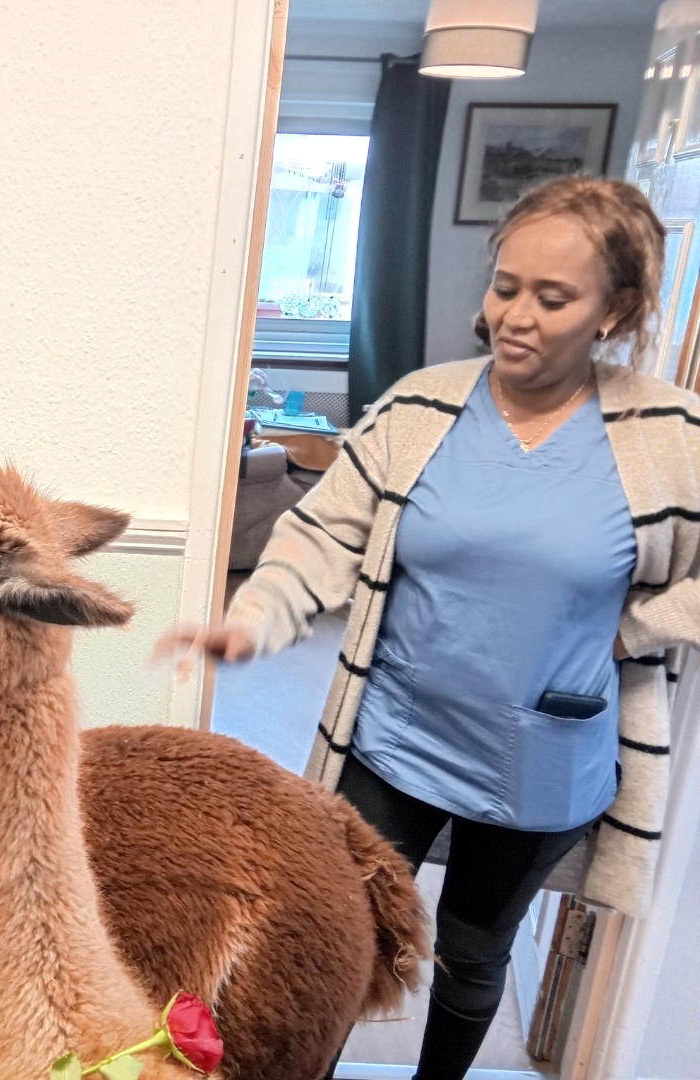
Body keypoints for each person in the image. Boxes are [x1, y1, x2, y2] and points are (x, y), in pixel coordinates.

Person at [156, 176, 700, 1080]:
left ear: (618, 310)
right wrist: (254, 617)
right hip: (396, 737)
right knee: (340, 932)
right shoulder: (421, 408)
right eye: (506, 286)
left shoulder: (669, 435)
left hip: (544, 756)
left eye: (553, 297)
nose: (514, 316)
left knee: (477, 950)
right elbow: (323, 530)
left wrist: (636, 628)